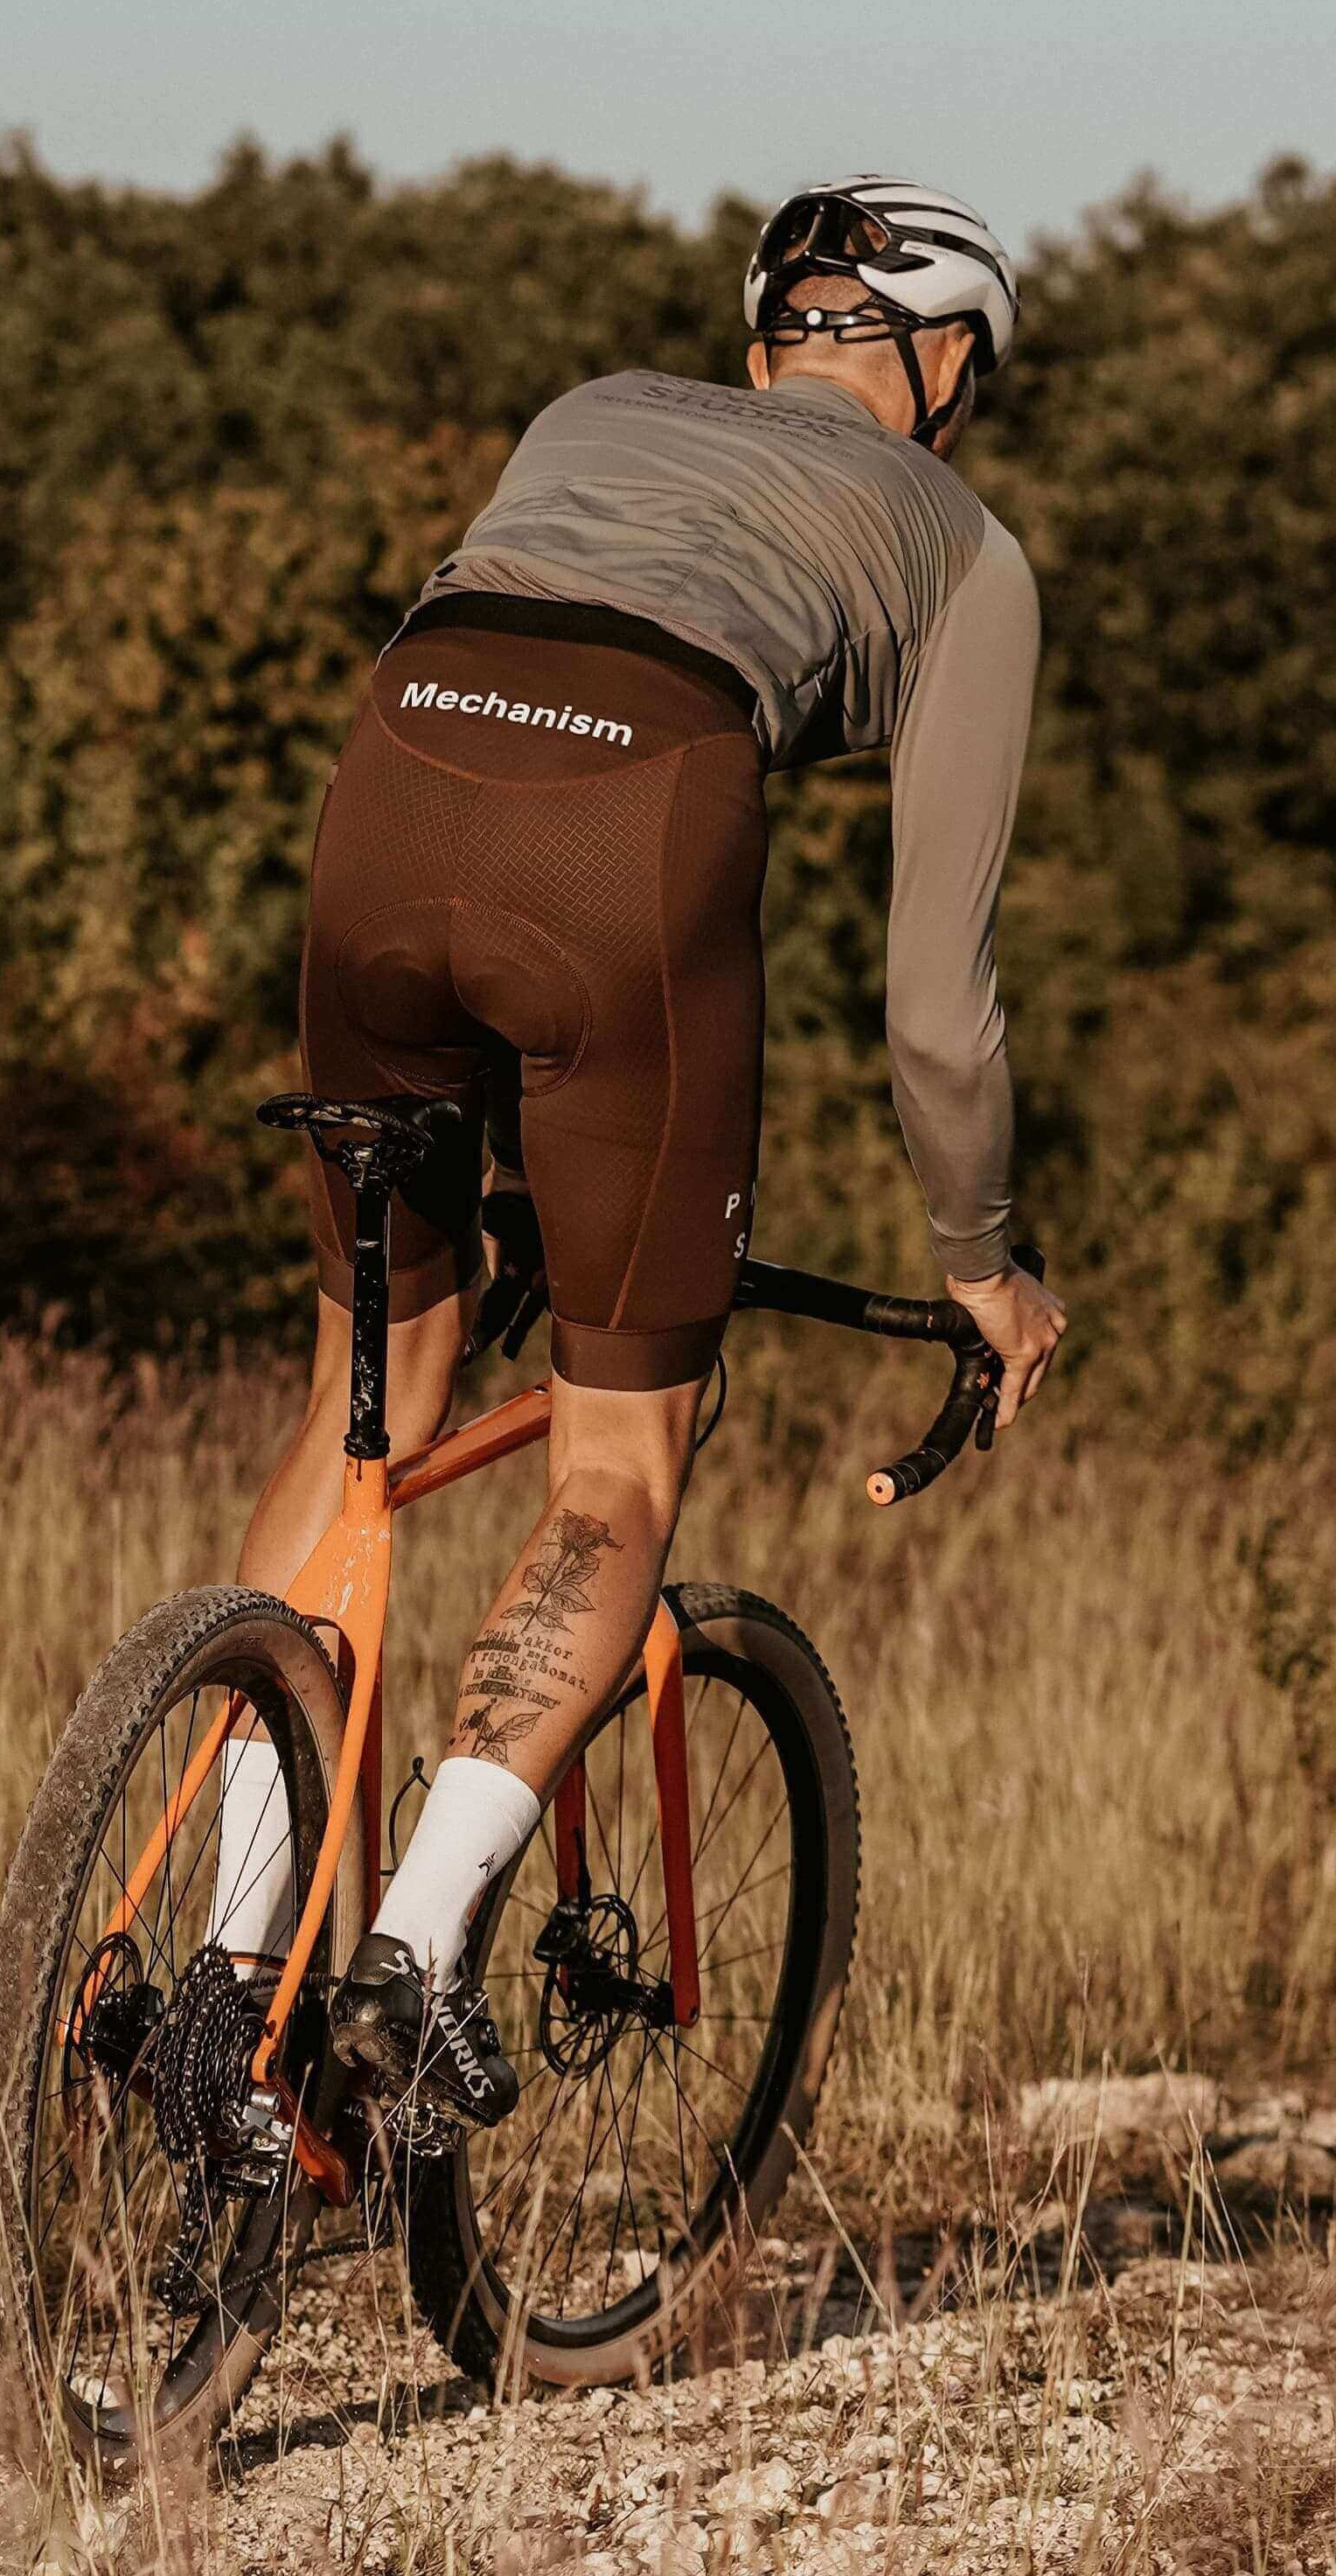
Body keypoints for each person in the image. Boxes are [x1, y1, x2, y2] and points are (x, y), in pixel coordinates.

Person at [213, 175, 1068, 2126]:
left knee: (372, 1395)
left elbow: (508, 744)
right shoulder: (966, 548)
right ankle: (411, 1963)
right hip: (636, 837)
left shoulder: (591, 408)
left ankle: (224, 1970)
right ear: (942, 364)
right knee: (614, 1470)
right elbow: (939, 1003)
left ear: (769, 335)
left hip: (386, 802)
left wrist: (510, 1161)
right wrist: (980, 1253)